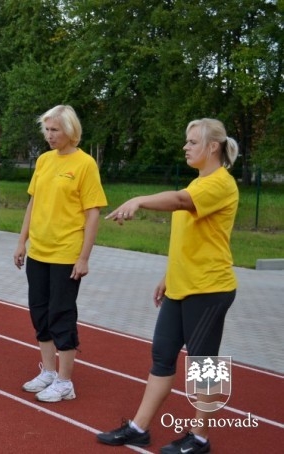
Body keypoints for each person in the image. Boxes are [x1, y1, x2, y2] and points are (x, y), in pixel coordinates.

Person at [96, 118, 239, 454]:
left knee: (205, 364)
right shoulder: (198, 182)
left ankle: (200, 437)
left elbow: (178, 201)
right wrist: (167, 276)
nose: (185, 147)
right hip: (181, 285)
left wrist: (139, 200)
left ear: (212, 147)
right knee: (162, 355)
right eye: (186, 141)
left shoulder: (220, 184)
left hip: (209, 289)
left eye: (192, 142)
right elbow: (190, 239)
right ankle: (138, 428)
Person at [13, 105, 107, 403]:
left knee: (61, 314)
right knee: (39, 312)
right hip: (39, 251)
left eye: (55, 130)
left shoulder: (85, 164)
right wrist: (21, 242)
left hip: (66, 253)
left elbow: (93, 213)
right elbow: (33, 203)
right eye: (47, 129)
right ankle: (49, 372)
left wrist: (84, 257)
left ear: (71, 131)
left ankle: (66, 381)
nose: (49, 135)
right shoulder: (42, 161)